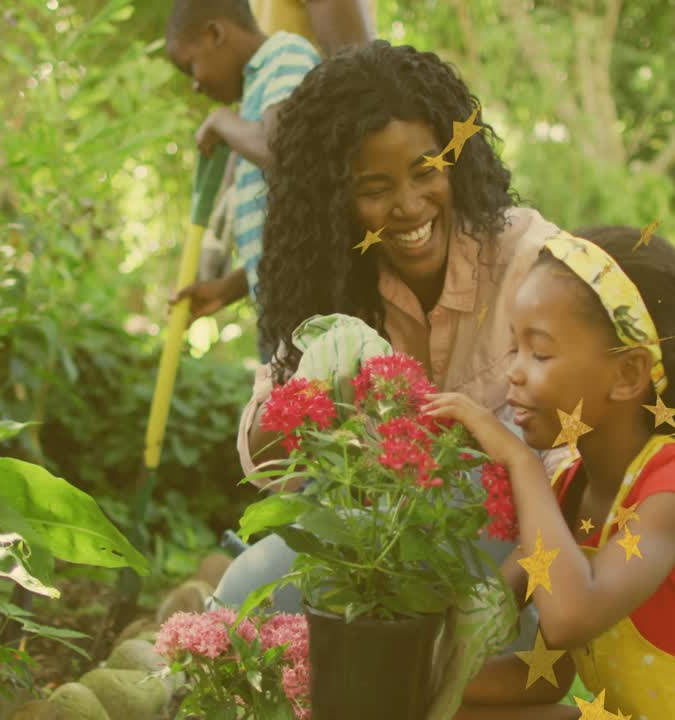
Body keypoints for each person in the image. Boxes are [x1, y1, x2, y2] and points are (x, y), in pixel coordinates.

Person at [212, 41, 572, 656]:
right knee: (248, 584)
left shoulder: (526, 256)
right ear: (334, 199)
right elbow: (266, 462)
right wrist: (321, 391)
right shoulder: (326, 283)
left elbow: (583, 446)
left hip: (514, 552)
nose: (407, 206)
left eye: (425, 172)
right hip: (376, 546)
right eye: (374, 188)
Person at [424, 227, 675, 718]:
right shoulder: (571, 492)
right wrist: (415, 681)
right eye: (515, 349)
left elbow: (571, 616)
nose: (514, 374)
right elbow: (541, 674)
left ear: (628, 374)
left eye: (540, 353)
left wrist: (521, 463)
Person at [164, 0, 322, 362]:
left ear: (215, 33)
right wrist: (227, 289)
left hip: (310, 308)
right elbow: (278, 237)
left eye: (191, 66)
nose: (195, 84)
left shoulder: (285, 54)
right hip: (279, 309)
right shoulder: (255, 95)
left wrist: (222, 120)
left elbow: (281, 149)